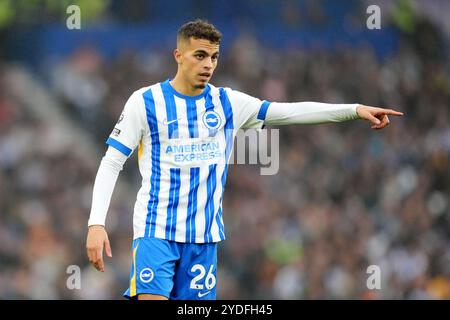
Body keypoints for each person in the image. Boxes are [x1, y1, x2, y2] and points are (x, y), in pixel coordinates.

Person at [86, 19, 404, 300]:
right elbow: (112, 162)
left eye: (214, 57)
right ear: (178, 56)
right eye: (200, 55)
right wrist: (96, 223)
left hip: (204, 241)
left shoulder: (228, 103)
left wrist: (352, 110)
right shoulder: (145, 102)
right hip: (156, 233)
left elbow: (289, 112)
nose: (208, 64)